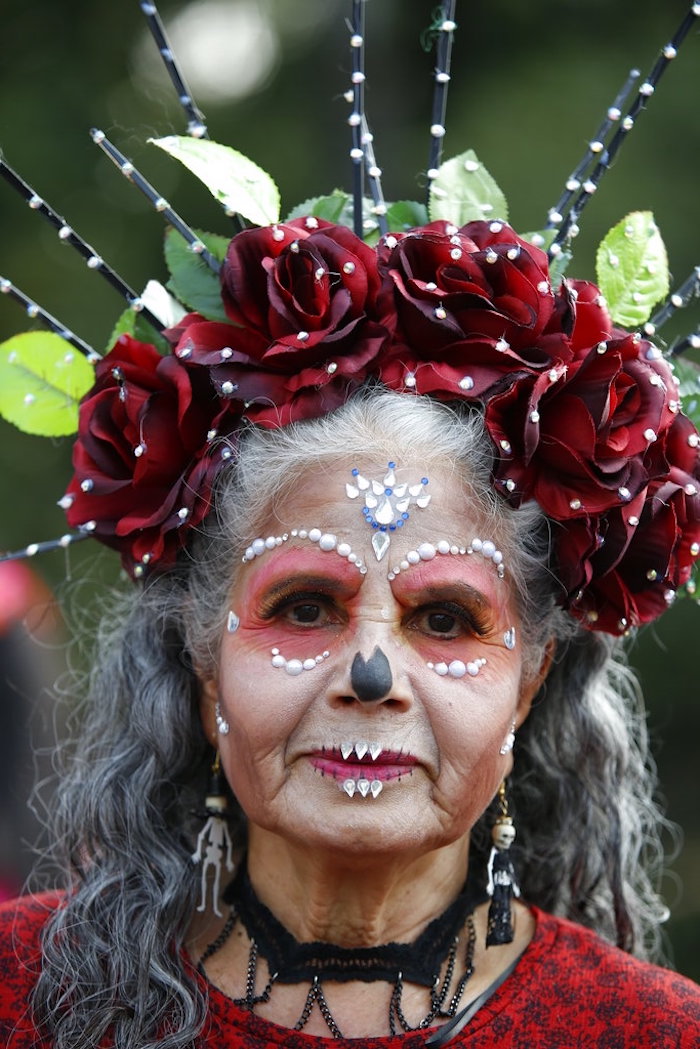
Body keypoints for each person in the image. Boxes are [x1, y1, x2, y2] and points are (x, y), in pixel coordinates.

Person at [1, 4, 700, 1048]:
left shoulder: (647, 1033)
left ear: (534, 676)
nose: (369, 673)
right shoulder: (25, 996)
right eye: (305, 604)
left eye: (449, 619)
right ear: (199, 652)